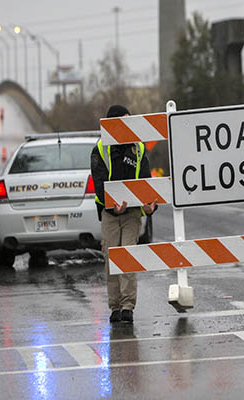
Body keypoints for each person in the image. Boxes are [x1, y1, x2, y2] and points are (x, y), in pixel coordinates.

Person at [91, 105, 157, 324]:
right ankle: (116, 307)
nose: (129, 124)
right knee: (111, 258)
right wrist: (112, 206)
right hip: (110, 213)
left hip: (132, 214)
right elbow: (99, 184)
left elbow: (146, 182)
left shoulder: (138, 147)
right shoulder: (100, 149)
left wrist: (151, 206)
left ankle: (128, 306)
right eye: (124, 121)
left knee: (128, 257)